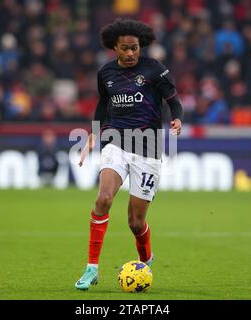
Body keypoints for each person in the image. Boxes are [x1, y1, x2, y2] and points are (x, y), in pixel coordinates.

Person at [74, 19, 183, 290]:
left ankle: (146, 256)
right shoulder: (106, 73)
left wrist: (178, 119)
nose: (131, 53)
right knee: (103, 198)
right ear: (115, 48)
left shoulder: (154, 69)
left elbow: (173, 100)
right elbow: (103, 104)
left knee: (135, 222)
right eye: (125, 48)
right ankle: (91, 269)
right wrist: (93, 133)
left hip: (147, 148)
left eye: (135, 48)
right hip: (115, 141)